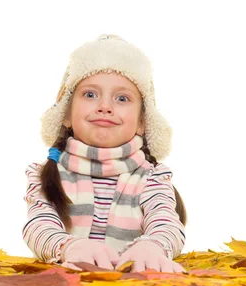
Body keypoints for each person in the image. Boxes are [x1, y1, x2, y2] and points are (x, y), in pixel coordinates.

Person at [22, 34, 187, 273]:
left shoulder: (153, 178)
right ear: (66, 115)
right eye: (90, 94)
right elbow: (38, 225)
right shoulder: (44, 174)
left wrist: (152, 247)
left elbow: (166, 223)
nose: (105, 106)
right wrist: (68, 246)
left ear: (142, 122)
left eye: (122, 98)